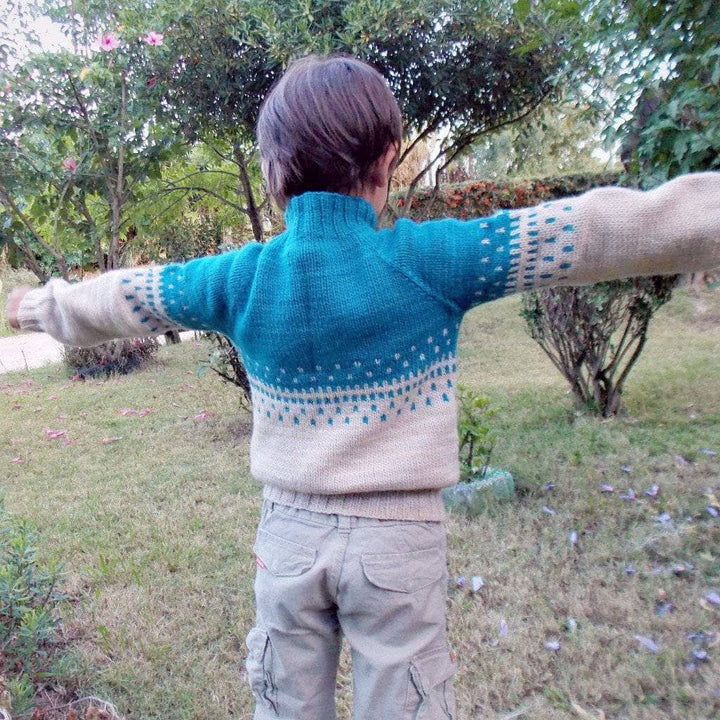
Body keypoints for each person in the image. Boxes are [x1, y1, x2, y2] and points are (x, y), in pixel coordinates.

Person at [6, 54, 720, 720]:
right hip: (398, 543)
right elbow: (587, 231)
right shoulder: (431, 259)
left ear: (271, 175)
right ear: (384, 165)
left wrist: (45, 308)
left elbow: (135, 296)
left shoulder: (241, 276)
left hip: (287, 536)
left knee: (284, 700)